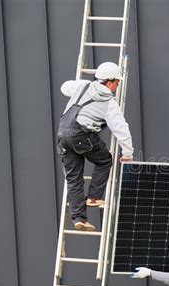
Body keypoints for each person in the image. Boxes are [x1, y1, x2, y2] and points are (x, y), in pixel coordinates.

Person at [57, 62, 134, 231]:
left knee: (73, 178)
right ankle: (93, 197)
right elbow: (121, 129)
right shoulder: (109, 102)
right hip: (81, 135)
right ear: (109, 82)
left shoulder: (82, 86)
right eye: (117, 82)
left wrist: (79, 87)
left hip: (63, 134)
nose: (117, 85)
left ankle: (79, 219)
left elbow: (64, 87)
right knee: (105, 160)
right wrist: (127, 153)